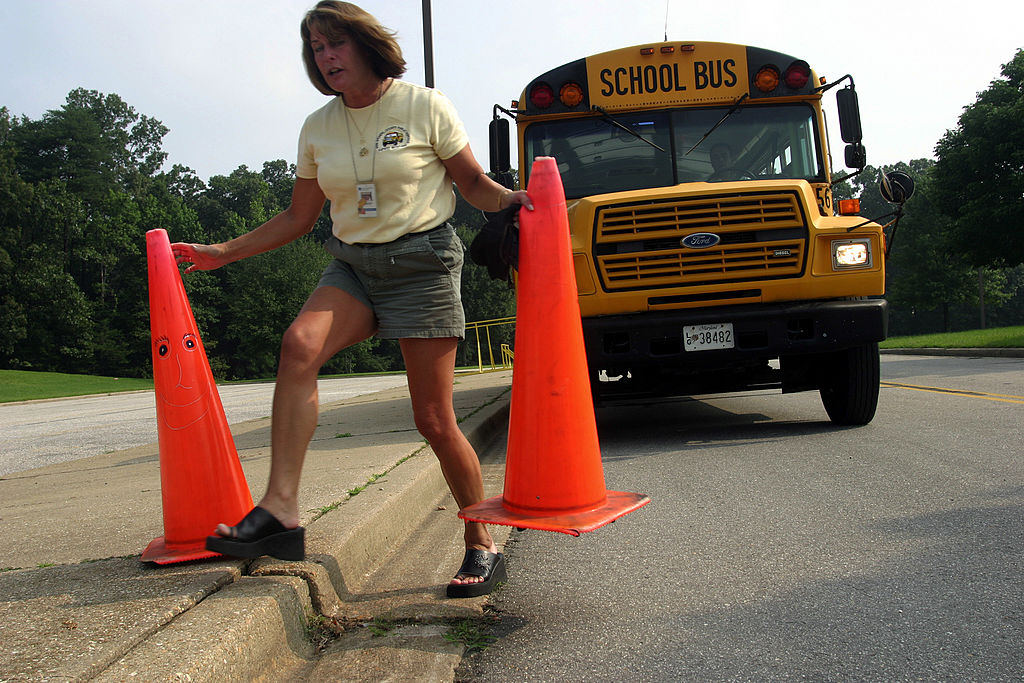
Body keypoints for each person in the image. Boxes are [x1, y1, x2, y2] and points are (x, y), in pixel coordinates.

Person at [171, 0, 532, 598]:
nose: (326, 57)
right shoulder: (318, 126)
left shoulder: (424, 106)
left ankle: (481, 543)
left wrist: (514, 201)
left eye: (335, 43)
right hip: (354, 265)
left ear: (365, 45)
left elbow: (469, 183)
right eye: (316, 48)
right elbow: (298, 216)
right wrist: (223, 250)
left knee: (434, 420)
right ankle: (280, 513)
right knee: (299, 345)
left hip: (423, 262)